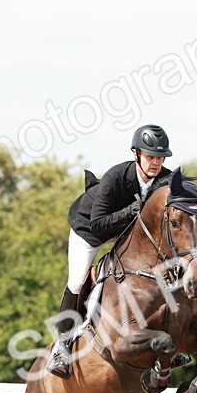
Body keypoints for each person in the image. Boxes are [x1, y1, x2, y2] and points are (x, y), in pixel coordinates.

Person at [46, 124, 175, 379]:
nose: (156, 162)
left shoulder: (165, 179)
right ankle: (62, 345)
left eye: (160, 157)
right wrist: (130, 211)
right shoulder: (116, 177)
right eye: (150, 156)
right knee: (77, 281)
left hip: (125, 230)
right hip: (90, 230)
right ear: (136, 154)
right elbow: (98, 223)